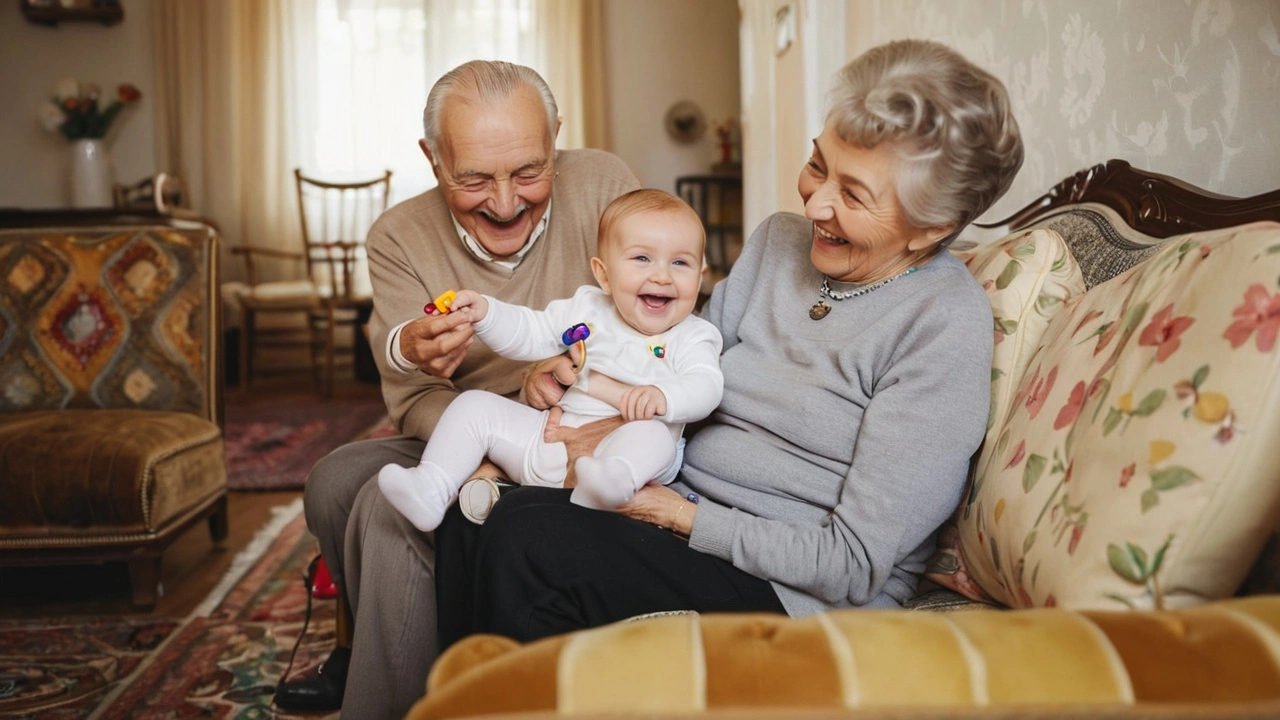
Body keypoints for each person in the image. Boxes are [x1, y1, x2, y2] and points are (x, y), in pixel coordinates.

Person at [441, 38, 1024, 643]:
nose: (816, 202)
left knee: (528, 540)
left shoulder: (941, 325)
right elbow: (675, 363)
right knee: (475, 511)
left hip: (791, 587)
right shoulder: (778, 244)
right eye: (818, 164)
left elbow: (853, 563)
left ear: (931, 226)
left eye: (852, 195)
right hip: (677, 506)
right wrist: (577, 392)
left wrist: (678, 515)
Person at [273, 59, 640, 717]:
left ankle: (389, 698)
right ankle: (372, 645)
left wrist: (566, 383)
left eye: (530, 171)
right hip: (457, 427)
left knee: (387, 515)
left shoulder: (607, 185)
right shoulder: (399, 237)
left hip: (573, 428)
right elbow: (412, 401)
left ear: (556, 135)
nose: (505, 203)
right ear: (433, 158)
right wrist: (458, 404)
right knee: (332, 480)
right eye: (473, 178)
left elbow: (651, 318)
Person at [377, 189, 723, 531]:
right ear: (603, 274)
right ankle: (432, 488)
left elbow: (707, 385)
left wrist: (665, 398)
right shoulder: (586, 308)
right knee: (475, 406)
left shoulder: (692, 335)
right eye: (642, 259)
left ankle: (609, 485)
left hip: (628, 463)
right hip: (549, 441)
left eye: (680, 262)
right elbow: (531, 330)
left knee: (653, 435)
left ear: (701, 274)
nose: (662, 276)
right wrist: (486, 312)